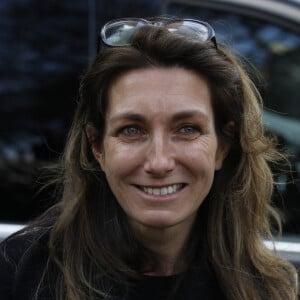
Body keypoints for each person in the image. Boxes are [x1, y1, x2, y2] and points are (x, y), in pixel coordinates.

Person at [0, 17, 298, 300]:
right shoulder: (21, 275)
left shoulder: (267, 288)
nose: (159, 162)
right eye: (131, 130)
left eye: (187, 129)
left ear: (222, 146)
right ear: (97, 147)